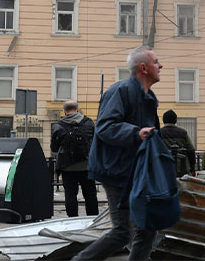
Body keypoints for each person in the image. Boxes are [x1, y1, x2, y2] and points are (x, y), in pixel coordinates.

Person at [72, 46, 162, 261]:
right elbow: (105, 127)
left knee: (148, 227)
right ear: (144, 68)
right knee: (122, 232)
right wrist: (136, 133)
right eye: (156, 62)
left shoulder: (148, 98)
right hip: (116, 171)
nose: (161, 65)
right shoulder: (120, 91)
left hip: (135, 172)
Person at [50, 100, 99, 217]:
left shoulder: (58, 126)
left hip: (67, 167)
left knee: (70, 195)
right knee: (90, 195)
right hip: (86, 165)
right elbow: (96, 142)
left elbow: (54, 147)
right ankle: (92, 219)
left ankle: (72, 220)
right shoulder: (88, 123)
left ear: (64, 111)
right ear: (77, 109)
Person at [159, 109, 196, 177]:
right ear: (175, 120)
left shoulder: (159, 133)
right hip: (182, 168)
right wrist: (192, 168)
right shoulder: (183, 133)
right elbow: (191, 150)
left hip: (164, 167)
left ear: (163, 120)